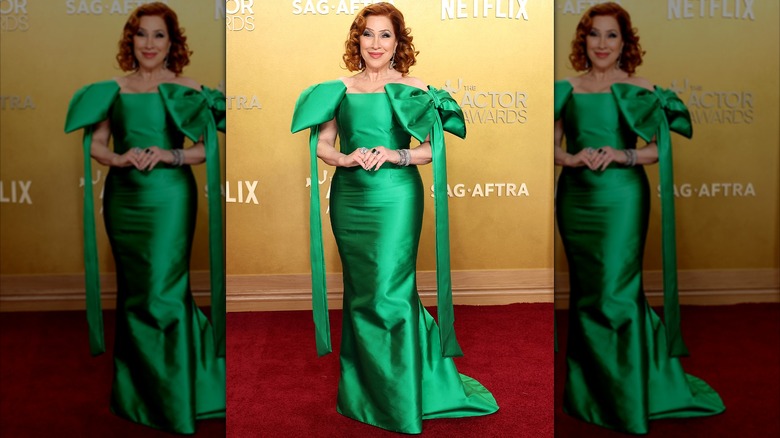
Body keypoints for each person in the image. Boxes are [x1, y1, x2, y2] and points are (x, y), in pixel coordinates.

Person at [291, 3, 498, 434]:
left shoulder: (413, 88)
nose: (376, 44)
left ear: (398, 42)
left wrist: (394, 153)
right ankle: (367, 391)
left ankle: (402, 393)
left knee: (390, 290)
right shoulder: (338, 89)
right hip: (351, 198)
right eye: (368, 34)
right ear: (358, 40)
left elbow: (430, 147)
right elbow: (323, 145)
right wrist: (346, 158)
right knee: (363, 292)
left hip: (396, 196)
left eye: (385, 35)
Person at [554, 2, 725, 434]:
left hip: (623, 197)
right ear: (584, 40)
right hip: (577, 198)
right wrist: (572, 158)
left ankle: (627, 391)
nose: (603, 44)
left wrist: (620, 153)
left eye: (612, 35)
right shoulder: (565, 88)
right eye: (595, 34)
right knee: (589, 292)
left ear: (625, 42)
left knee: (616, 291)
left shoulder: (639, 88)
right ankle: (590, 390)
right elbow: (550, 146)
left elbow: (658, 146)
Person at [64, 3, 225, 434]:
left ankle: (177, 396)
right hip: (125, 198)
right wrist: (120, 157)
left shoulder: (187, 88)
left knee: (164, 292)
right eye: (142, 35)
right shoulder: (110, 90)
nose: (149, 44)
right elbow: (97, 144)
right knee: (136, 294)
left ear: (172, 43)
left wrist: (171, 154)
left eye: (159, 36)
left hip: (170, 197)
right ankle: (138, 394)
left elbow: (206, 148)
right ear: (129, 41)